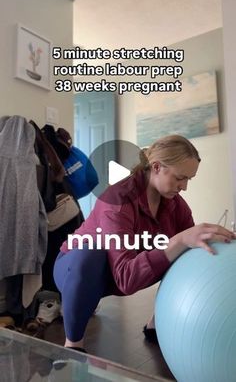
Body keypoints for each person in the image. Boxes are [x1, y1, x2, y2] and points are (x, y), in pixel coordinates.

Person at [53, 135, 234, 352]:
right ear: (156, 167)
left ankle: (155, 324)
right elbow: (126, 279)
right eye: (180, 178)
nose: (184, 187)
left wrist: (214, 241)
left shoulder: (176, 205)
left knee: (183, 252)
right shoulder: (118, 201)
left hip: (116, 272)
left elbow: (187, 254)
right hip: (75, 271)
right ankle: (72, 345)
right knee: (92, 252)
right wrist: (179, 240)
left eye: (189, 180)